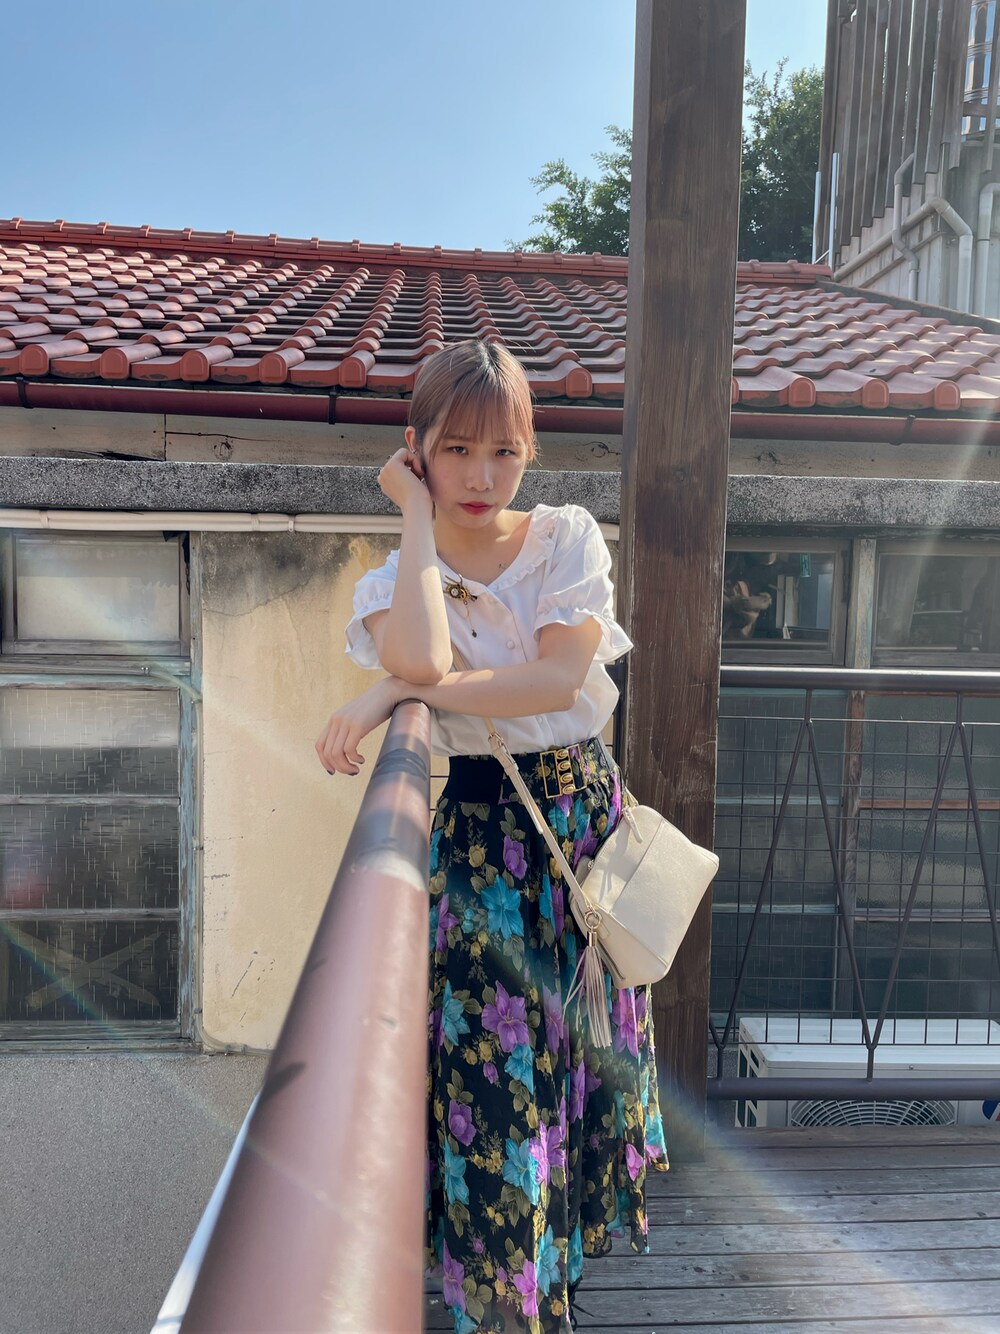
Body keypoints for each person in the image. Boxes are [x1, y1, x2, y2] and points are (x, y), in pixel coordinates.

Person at [316, 340, 667, 1333]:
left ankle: (553, 1285)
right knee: (494, 1079)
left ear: (529, 450)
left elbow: (555, 681)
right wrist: (413, 519)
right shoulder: (399, 578)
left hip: (580, 828)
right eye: (456, 450)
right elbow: (425, 652)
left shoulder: (564, 540)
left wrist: (391, 694)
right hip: (479, 837)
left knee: (576, 1064)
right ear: (416, 449)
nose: (481, 475)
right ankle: (506, 1309)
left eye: (504, 451)